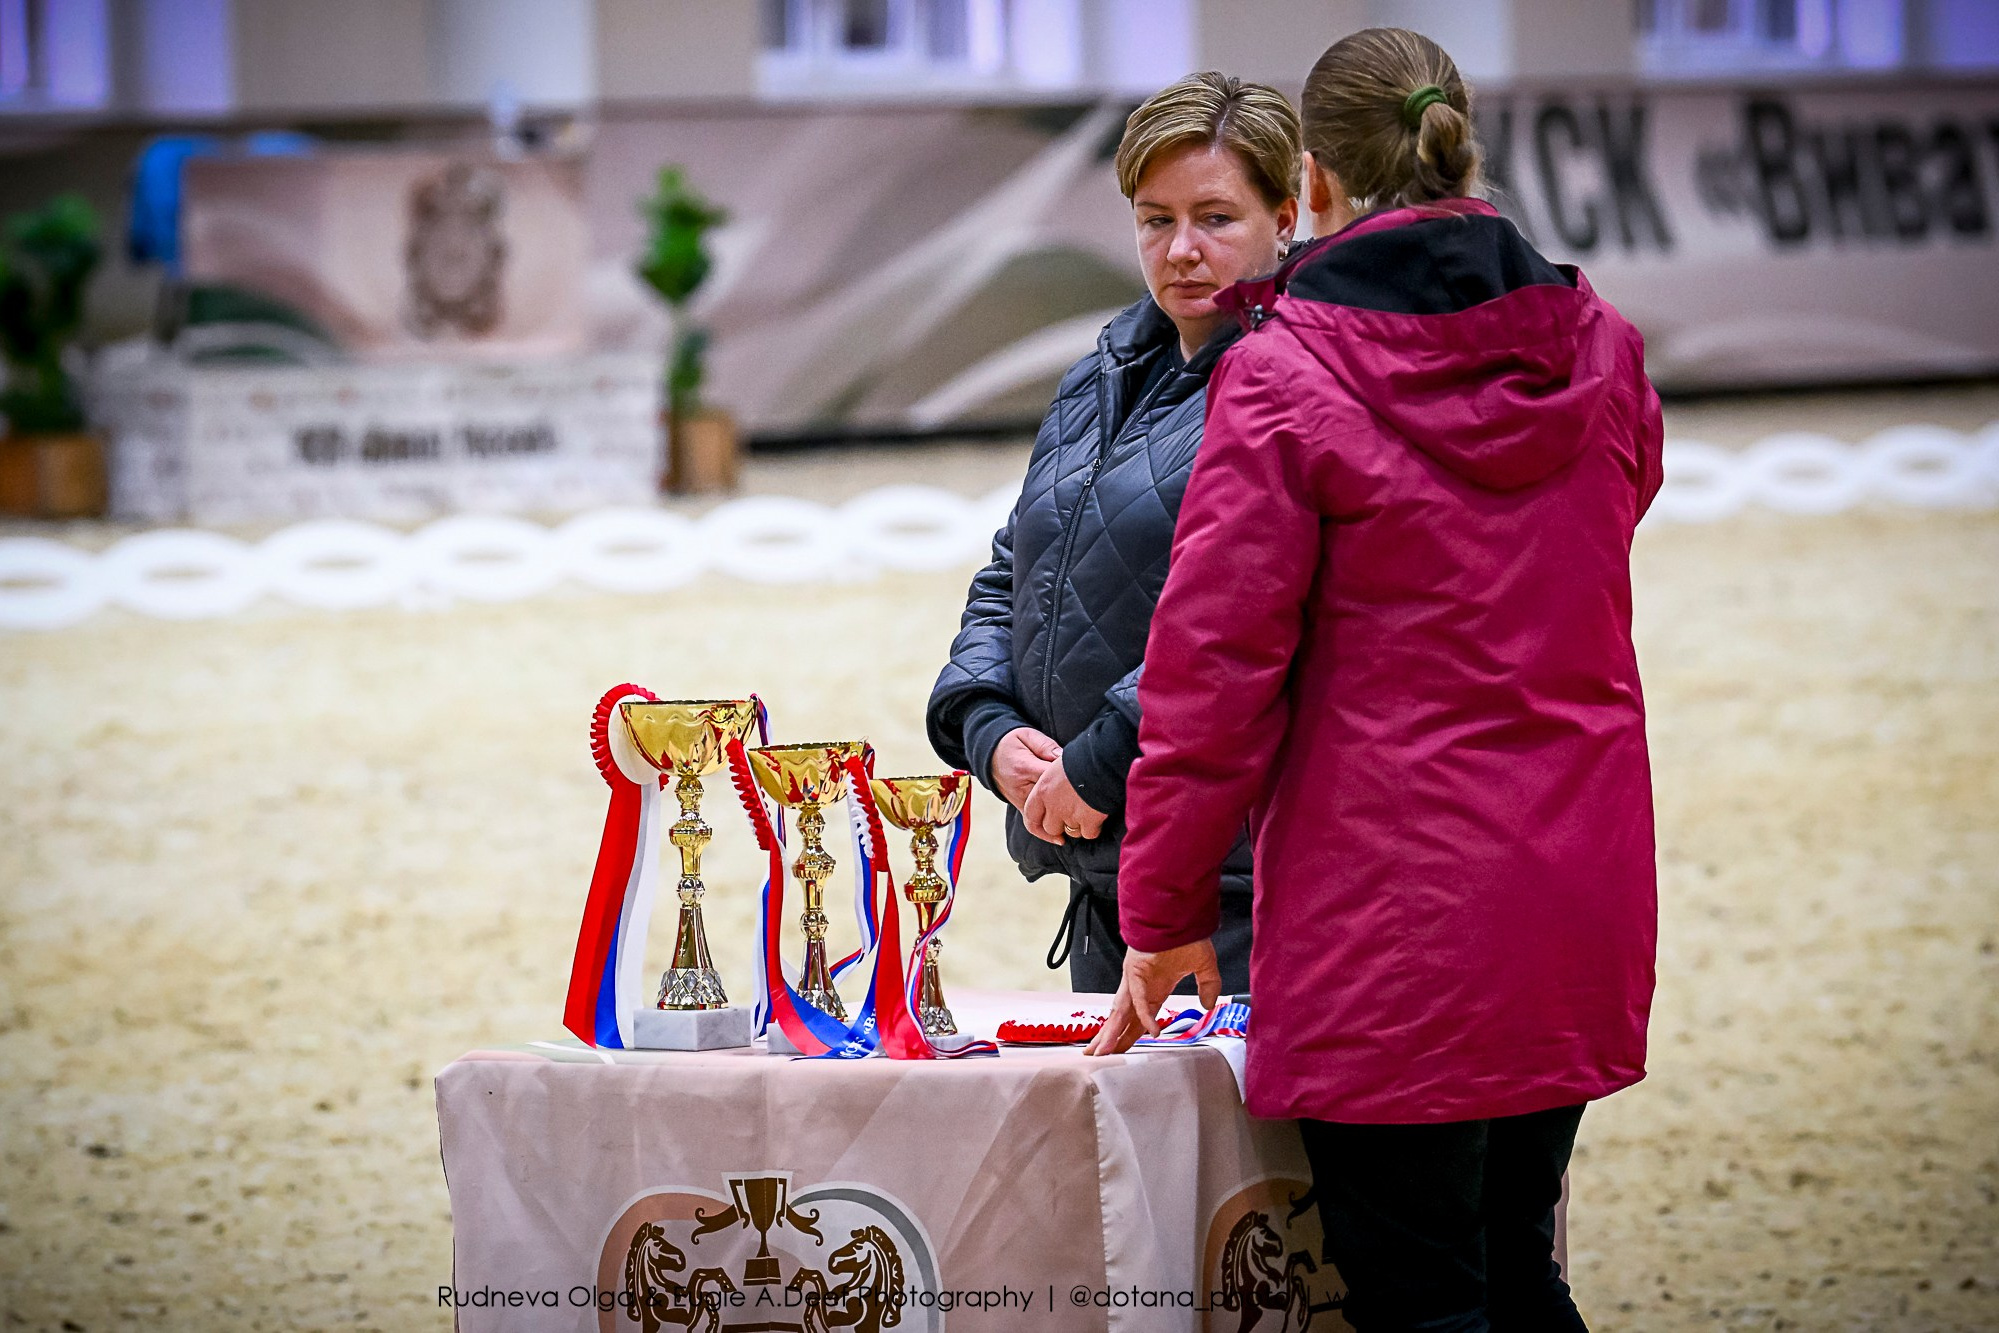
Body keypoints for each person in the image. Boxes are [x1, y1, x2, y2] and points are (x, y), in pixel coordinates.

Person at [1086, 28, 1662, 1333]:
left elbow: (1211, 674)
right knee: (1518, 1269)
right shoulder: (1605, 347)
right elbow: (1609, 521)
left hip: (1391, 914)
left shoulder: (1281, 374)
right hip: (1570, 882)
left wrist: (1161, 906)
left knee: (1417, 1299)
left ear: (1314, 185)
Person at [925, 72, 1301, 993]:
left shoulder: (1291, 386)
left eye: (1215, 218)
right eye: (1153, 219)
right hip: (1099, 867)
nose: (1181, 249)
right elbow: (1013, 569)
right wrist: (987, 724)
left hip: (1238, 887)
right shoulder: (1097, 374)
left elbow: (1244, 620)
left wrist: (1097, 763)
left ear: (1286, 218)